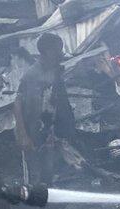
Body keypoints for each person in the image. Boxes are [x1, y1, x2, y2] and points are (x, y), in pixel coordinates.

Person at [14, 32, 75, 187]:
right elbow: (17, 102)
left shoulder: (54, 72)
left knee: (48, 169)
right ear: (48, 51)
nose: (60, 53)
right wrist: (22, 133)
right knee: (34, 170)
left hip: (49, 129)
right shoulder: (32, 75)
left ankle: (46, 195)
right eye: (58, 49)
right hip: (33, 131)